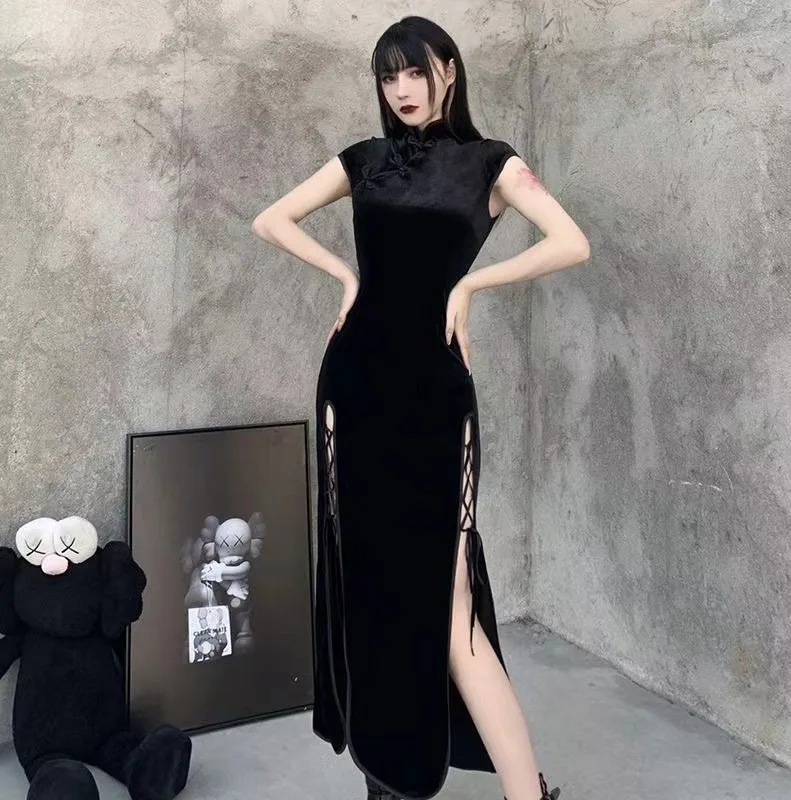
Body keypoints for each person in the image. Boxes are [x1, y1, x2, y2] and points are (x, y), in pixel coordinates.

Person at [251, 15, 589, 800]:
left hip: (434, 398)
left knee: (450, 604)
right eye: (388, 75)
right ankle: (389, 775)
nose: (402, 89)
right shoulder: (364, 161)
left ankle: (528, 794)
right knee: (369, 586)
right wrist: (346, 277)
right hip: (355, 390)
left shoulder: (490, 164)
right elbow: (271, 219)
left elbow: (571, 241)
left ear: (450, 70)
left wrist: (472, 284)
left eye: (416, 70)